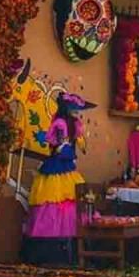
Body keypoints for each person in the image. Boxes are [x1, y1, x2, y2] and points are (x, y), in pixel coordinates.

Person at [22, 91, 95, 263]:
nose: (77, 113)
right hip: (57, 164)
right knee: (52, 202)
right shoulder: (60, 123)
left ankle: (71, 244)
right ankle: (51, 245)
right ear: (67, 109)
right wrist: (67, 150)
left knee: (70, 200)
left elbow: (79, 143)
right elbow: (60, 145)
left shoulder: (74, 123)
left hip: (68, 165)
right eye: (74, 109)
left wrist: (77, 146)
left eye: (78, 110)